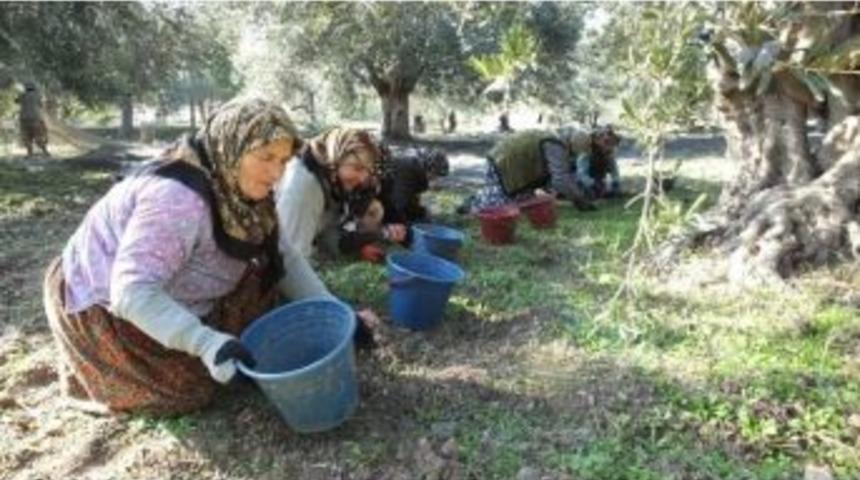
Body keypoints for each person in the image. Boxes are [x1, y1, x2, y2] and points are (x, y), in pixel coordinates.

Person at [43, 98, 356, 416]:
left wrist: (333, 310)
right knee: (191, 387)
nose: (277, 173)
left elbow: (282, 254)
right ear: (232, 147)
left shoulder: (239, 183)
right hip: (106, 303)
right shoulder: (178, 201)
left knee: (260, 294)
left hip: (165, 285)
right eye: (266, 157)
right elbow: (131, 292)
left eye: (284, 160)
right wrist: (204, 343)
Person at [275, 127, 408, 261]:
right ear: (336, 157)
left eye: (367, 170)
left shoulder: (330, 179)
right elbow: (289, 259)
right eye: (357, 167)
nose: (362, 178)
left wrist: (360, 247)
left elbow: (328, 231)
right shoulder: (304, 187)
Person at [336, 146, 450, 260]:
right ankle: (367, 238)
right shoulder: (409, 171)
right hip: (371, 203)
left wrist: (421, 213)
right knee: (377, 211)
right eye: (436, 176)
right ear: (429, 170)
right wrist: (409, 235)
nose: (435, 180)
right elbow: (400, 205)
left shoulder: (415, 171)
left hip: (382, 199)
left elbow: (409, 201)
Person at [460, 129, 595, 214]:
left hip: (501, 158)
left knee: (524, 202)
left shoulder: (554, 137)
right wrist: (581, 201)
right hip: (503, 163)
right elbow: (560, 180)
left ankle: (478, 199)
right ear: (572, 146)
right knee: (501, 209)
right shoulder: (556, 146)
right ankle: (473, 205)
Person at [574, 125, 622, 199]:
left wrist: (616, 182)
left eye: (608, 136)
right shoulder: (586, 152)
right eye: (601, 137)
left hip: (598, 179)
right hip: (581, 181)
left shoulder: (609, 153)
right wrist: (593, 184)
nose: (606, 138)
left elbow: (614, 171)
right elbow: (581, 174)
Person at [16, 82, 50, 157]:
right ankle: (45, 152)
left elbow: (16, 101)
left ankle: (29, 153)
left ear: (26, 88)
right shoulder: (38, 95)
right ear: (34, 88)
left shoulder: (22, 95)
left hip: (24, 119)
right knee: (39, 135)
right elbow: (41, 105)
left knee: (27, 136)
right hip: (36, 118)